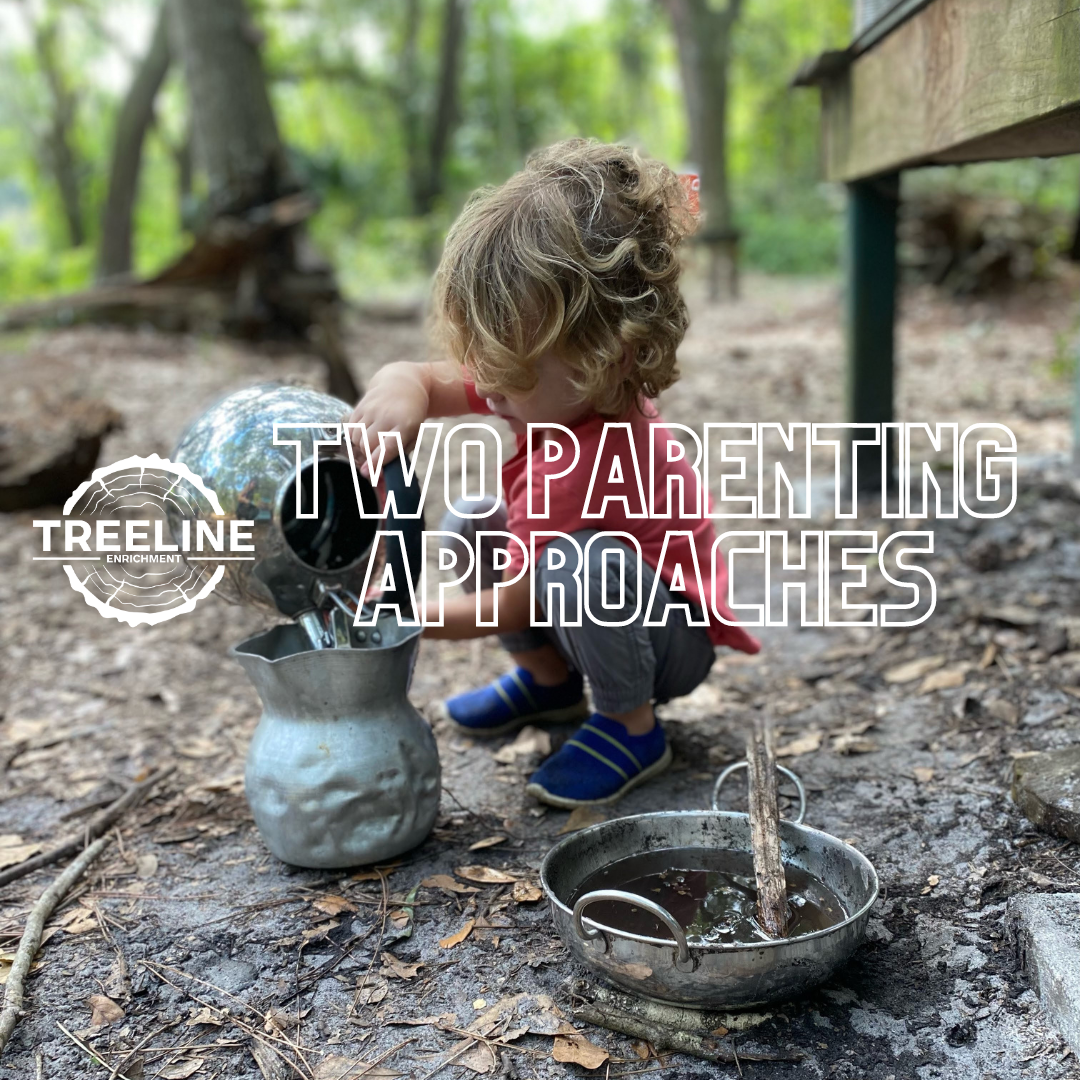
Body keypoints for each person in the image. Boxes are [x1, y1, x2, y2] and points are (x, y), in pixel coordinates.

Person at [348, 138, 759, 808]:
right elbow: (431, 380)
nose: (487, 386)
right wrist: (402, 388)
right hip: (595, 603)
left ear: (611, 358)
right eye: (485, 360)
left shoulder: (591, 453)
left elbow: (518, 600)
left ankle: (631, 727)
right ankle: (551, 684)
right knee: (475, 521)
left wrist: (407, 615)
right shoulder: (555, 380)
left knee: (579, 566)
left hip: (667, 636)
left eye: (508, 371)